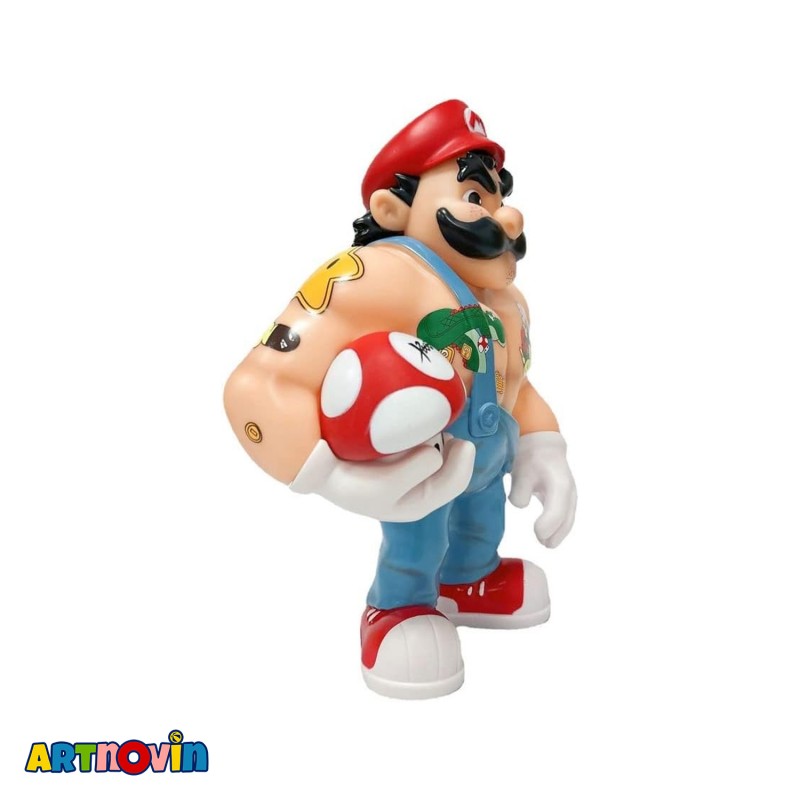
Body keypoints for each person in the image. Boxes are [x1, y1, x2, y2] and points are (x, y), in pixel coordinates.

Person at [224, 100, 577, 699]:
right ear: (393, 209)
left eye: (499, 199)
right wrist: (325, 471)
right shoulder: (373, 276)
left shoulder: (506, 303)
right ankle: (397, 607)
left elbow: (515, 385)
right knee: (418, 530)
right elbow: (260, 383)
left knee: (480, 517)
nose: (508, 218)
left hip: (487, 458)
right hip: (421, 463)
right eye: (474, 196)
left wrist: (545, 446)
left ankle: (469, 578)